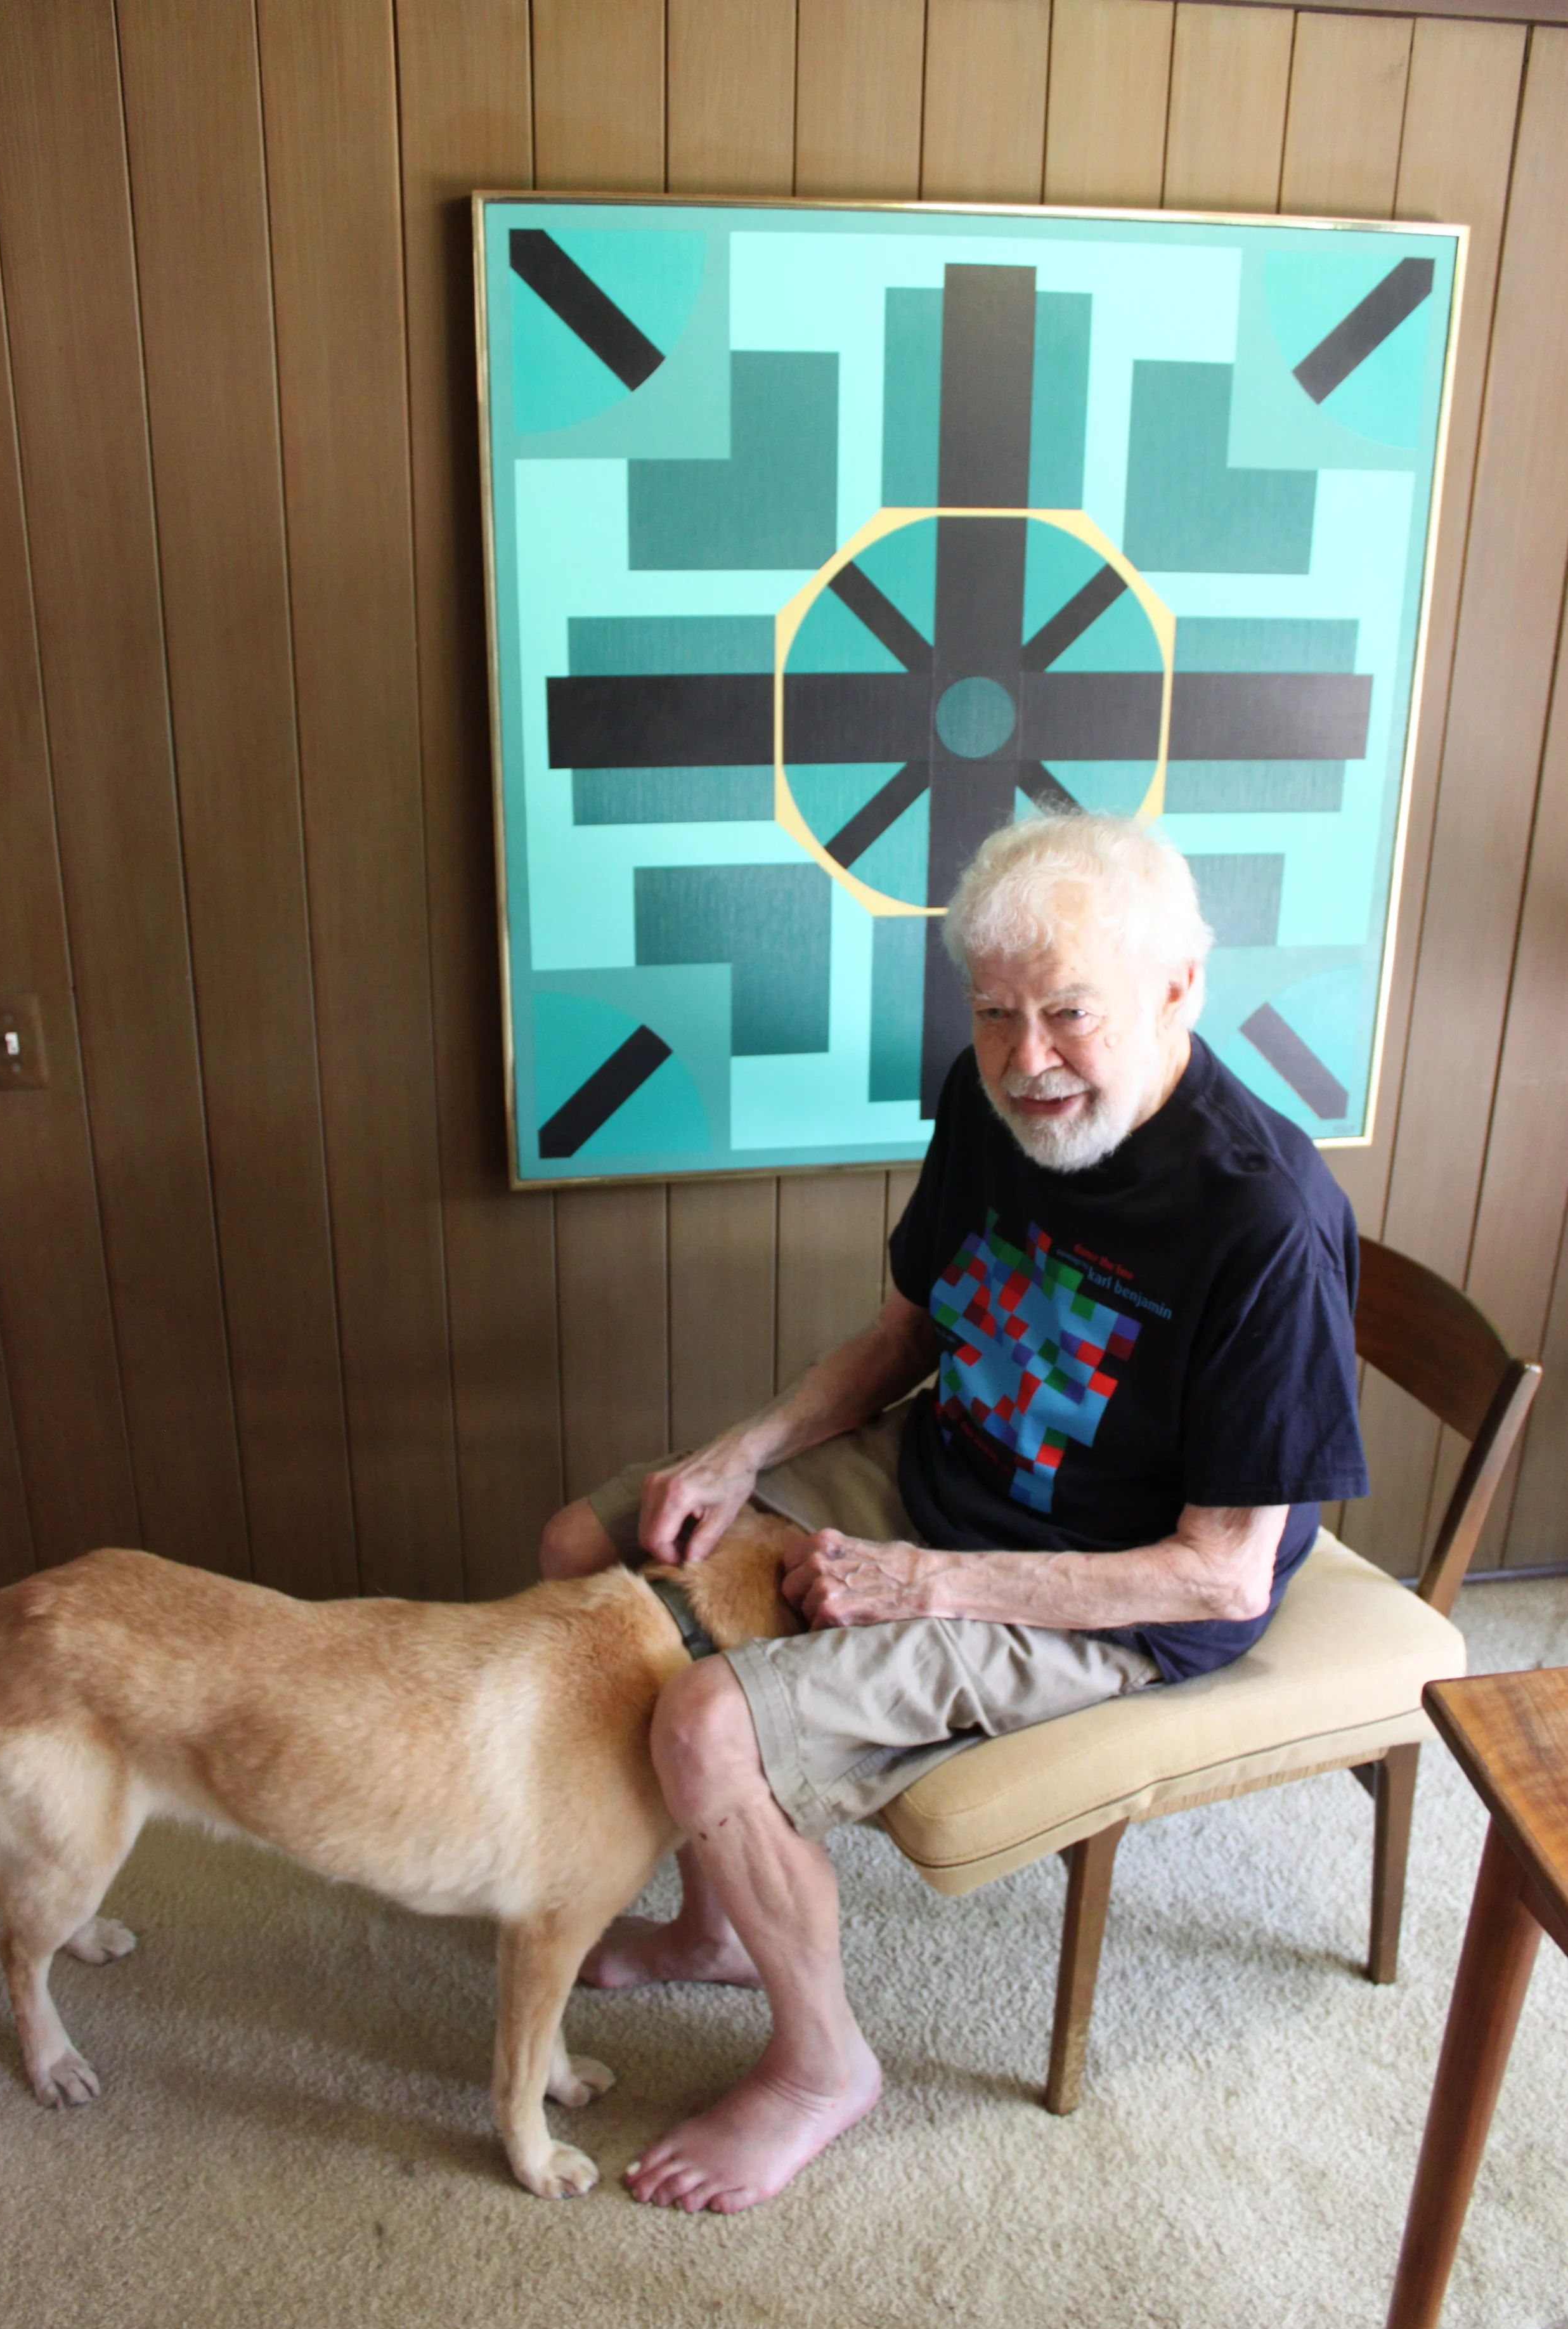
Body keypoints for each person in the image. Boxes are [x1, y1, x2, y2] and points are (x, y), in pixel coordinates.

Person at [540, 810, 1369, 2215]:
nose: (1023, 1060)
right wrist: (739, 1453)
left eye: (1065, 1015)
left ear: (1178, 987)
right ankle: (717, 1924)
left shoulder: (1263, 1220)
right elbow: (906, 1338)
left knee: (704, 1719)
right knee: (586, 1546)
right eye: (992, 1013)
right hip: (947, 1465)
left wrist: (922, 1583)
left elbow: (1222, 1578)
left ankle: (819, 2068)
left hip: (1116, 1588)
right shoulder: (986, 1106)